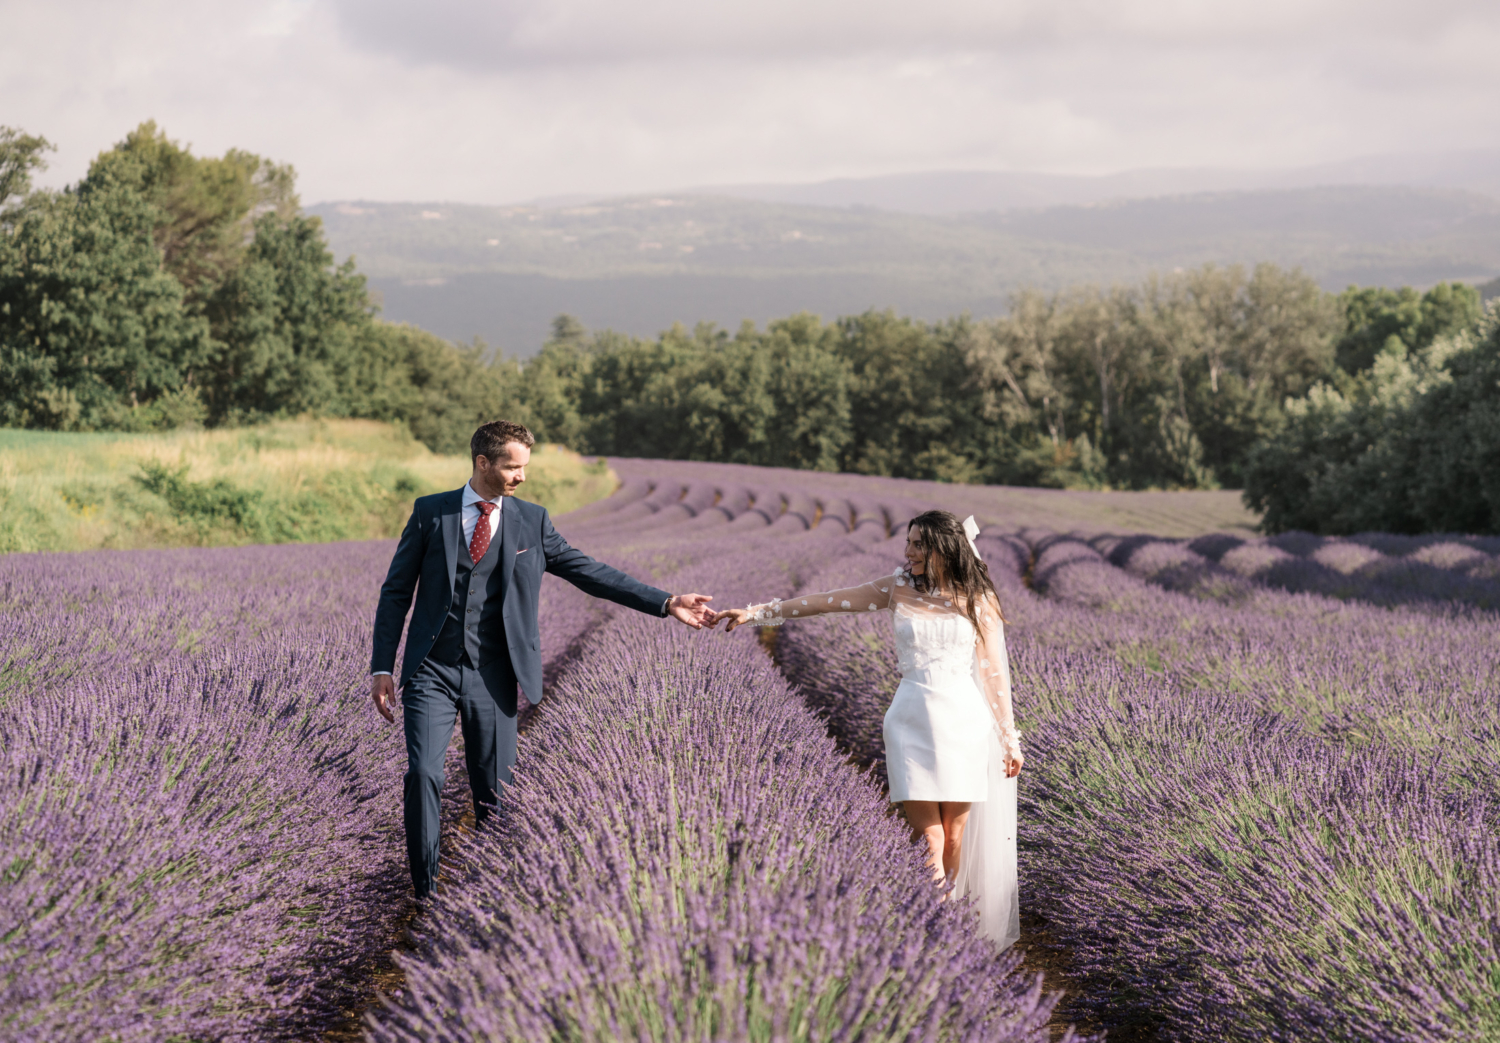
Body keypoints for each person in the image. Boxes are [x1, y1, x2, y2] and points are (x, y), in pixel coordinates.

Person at [371, 420, 716, 899]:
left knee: (495, 792)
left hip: (494, 676)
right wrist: (382, 666)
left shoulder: (531, 521)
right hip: (433, 669)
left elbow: (588, 571)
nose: (521, 477)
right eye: (513, 467)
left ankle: (486, 895)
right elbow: (395, 594)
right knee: (424, 774)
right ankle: (426, 893)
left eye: (525, 468)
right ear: (483, 463)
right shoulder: (432, 513)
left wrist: (665, 601)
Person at [714, 510, 1023, 949]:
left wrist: (1009, 739)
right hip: (911, 718)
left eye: (919, 544)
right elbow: (824, 601)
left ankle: (951, 922)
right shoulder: (896, 587)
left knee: (955, 835)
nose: (909, 552)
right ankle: (937, 931)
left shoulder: (978, 599)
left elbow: (993, 674)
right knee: (929, 838)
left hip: (965, 722)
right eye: (909, 542)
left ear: (943, 549)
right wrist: (756, 613)